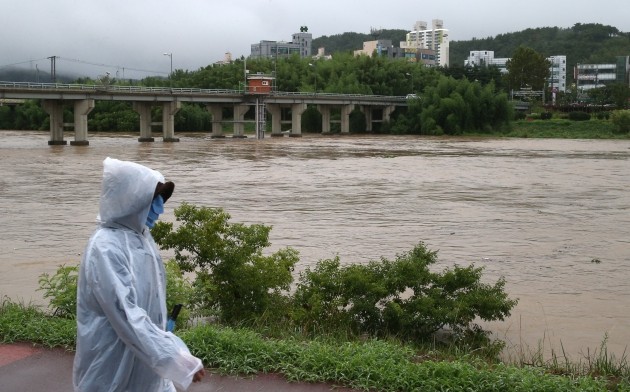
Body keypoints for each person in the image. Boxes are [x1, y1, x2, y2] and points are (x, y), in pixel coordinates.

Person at [73, 157, 205, 392]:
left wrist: (166, 351)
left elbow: (150, 305)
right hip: (111, 365)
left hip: (146, 363)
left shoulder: (141, 238)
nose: (160, 208)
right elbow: (127, 315)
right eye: (154, 200)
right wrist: (175, 357)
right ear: (131, 200)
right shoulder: (105, 248)